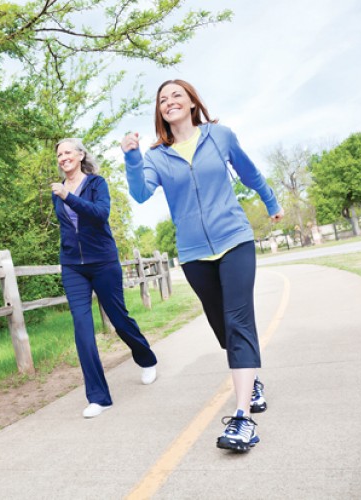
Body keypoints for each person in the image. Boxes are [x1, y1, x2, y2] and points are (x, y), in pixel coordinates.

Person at [120, 79, 284, 451]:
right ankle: (252, 379)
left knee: (239, 320)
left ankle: (243, 418)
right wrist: (132, 157)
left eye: (176, 95)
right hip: (194, 253)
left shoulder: (219, 136)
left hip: (234, 239)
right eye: (163, 99)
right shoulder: (157, 156)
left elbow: (249, 172)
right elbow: (141, 194)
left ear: (193, 102)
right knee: (221, 324)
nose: (169, 102)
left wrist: (271, 202)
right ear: (159, 112)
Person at [51, 138, 158, 419]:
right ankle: (98, 397)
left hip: (103, 262)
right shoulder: (57, 191)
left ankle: (146, 358)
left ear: (80, 155)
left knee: (119, 319)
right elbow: (67, 228)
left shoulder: (96, 184)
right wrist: (66, 254)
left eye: (67, 152)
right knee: (82, 329)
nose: (63, 157)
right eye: (59, 154)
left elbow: (100, 215)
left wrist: (68, 196)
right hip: (73, 267)